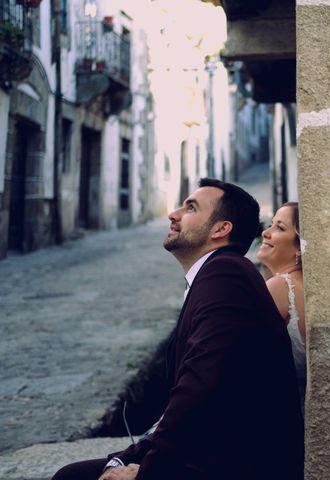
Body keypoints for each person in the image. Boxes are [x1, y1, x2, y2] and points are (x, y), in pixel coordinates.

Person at [52, 179, 304, 480]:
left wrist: (148, 470)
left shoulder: (227, 273)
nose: (173, 214)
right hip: (211, 451)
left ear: (220, 229)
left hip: (235, 464)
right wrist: (124, 459)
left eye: (190, 208)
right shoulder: (217, 274)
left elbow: (200, 382)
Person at [256, 202, 306, 409]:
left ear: (299, 250)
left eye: (280, 228)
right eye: (271, 224)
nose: (266, 233)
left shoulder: (280, 287)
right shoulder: (303, 286)